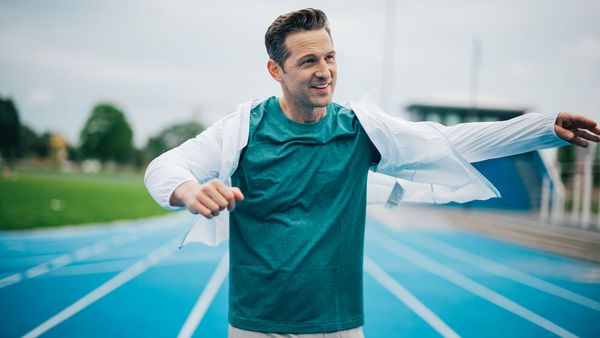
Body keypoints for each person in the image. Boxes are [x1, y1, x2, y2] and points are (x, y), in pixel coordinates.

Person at [144, 8, 600, 338]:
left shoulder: (360, 129)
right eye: (308, 61)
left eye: (330, 57)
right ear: (275, 70)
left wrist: (541, 129)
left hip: (341, 325)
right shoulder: (243, 130)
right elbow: (164, 166)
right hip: (256, 326)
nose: (325, 72)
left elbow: (448, 141)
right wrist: (187, 190)